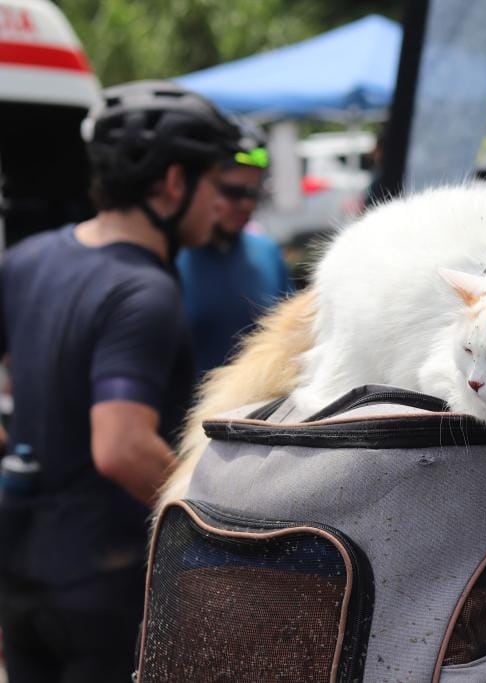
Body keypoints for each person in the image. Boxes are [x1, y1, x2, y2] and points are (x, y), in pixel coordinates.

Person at [0, 80, 242, 682]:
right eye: (213, 183)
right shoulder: (144, 291)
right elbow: (121, 447)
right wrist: (219, 527)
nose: (220, 203)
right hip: (103, 584)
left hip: (21, 570)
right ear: (173, 183)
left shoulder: (26, 258)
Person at [176, 120, 293, 380]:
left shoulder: (267, 252)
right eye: (233, 192)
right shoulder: (171, 257)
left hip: (255, 415)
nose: (246, 204)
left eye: (254, 192)